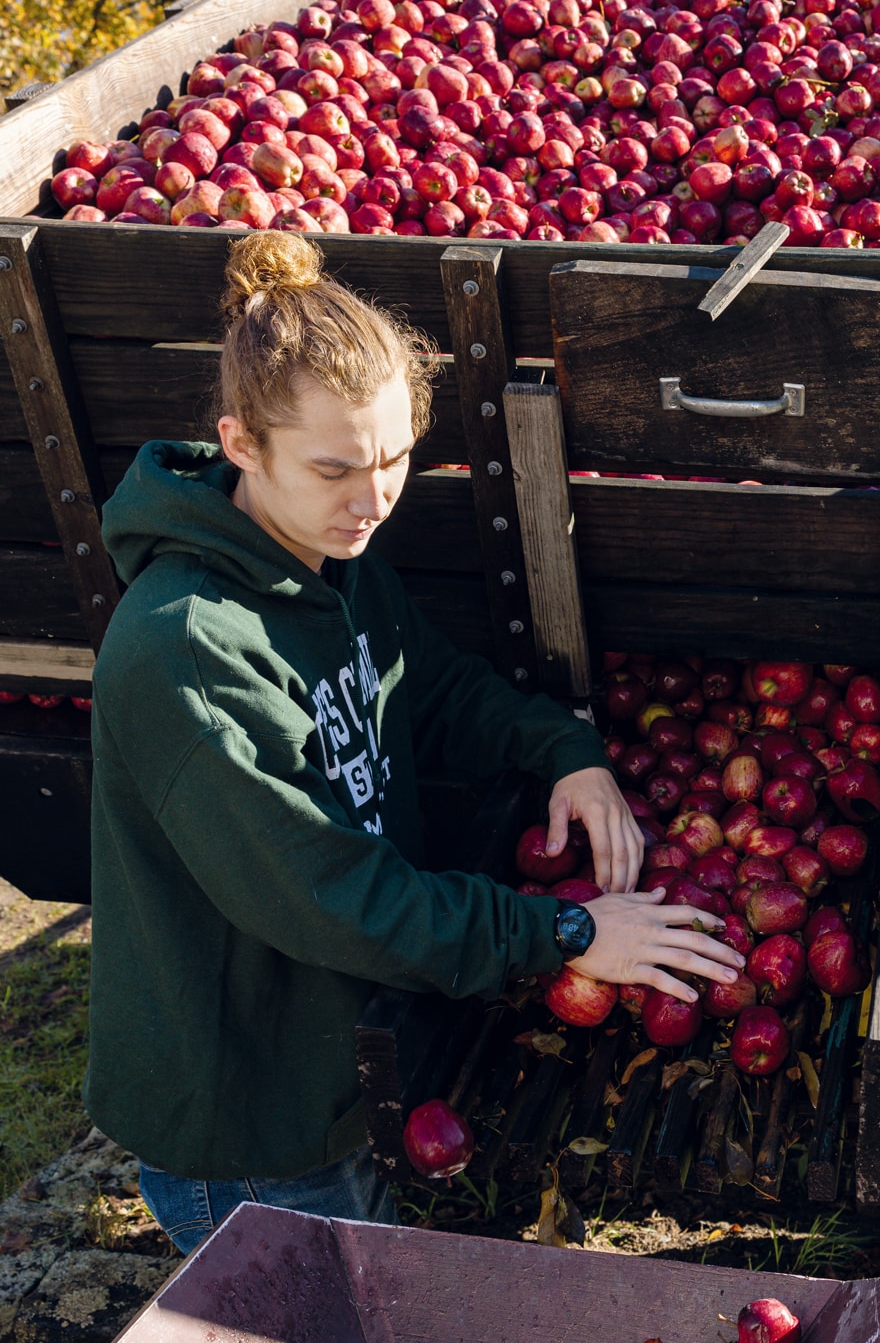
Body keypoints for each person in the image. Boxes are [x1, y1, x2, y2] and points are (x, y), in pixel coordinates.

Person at [86, 230, 742, 1253]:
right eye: (335, 466)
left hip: (334, 1063)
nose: (373, 497)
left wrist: (560, 749)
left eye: (394, 458)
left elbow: (427, 687)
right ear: (240, 444)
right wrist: (565, 934)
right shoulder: (189, 653)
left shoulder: (320, 552)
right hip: (254, 1118)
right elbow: (333, 895)